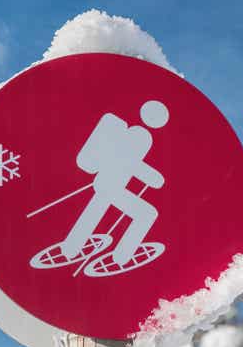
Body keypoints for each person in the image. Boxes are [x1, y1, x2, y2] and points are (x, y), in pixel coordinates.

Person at [62, 99, 169, 266]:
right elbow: (128, 162)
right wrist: (154, 178)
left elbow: (128, 162)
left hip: (108, 184)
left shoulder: (136, 133)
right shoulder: (138, 135)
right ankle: (121, 257)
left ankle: (72, 248)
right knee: (146, 214)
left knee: (95, 211)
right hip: (111, 185)